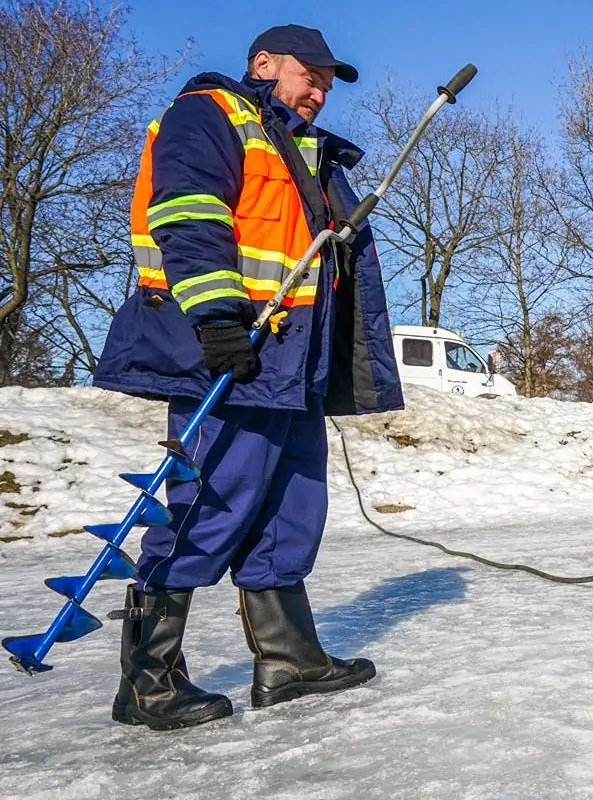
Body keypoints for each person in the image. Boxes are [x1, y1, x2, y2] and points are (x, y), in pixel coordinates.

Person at [92, 24, 404, 730]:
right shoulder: (209, 114)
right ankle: (148, 679)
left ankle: (289, 660)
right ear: (264, 63)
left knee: (291, 508)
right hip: (234, 351)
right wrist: (216, 318)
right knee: (214, 503)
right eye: (310, 75)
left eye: (327, 81)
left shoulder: (305, 149)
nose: (319, 90)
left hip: (296, 362)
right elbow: (187, 212)